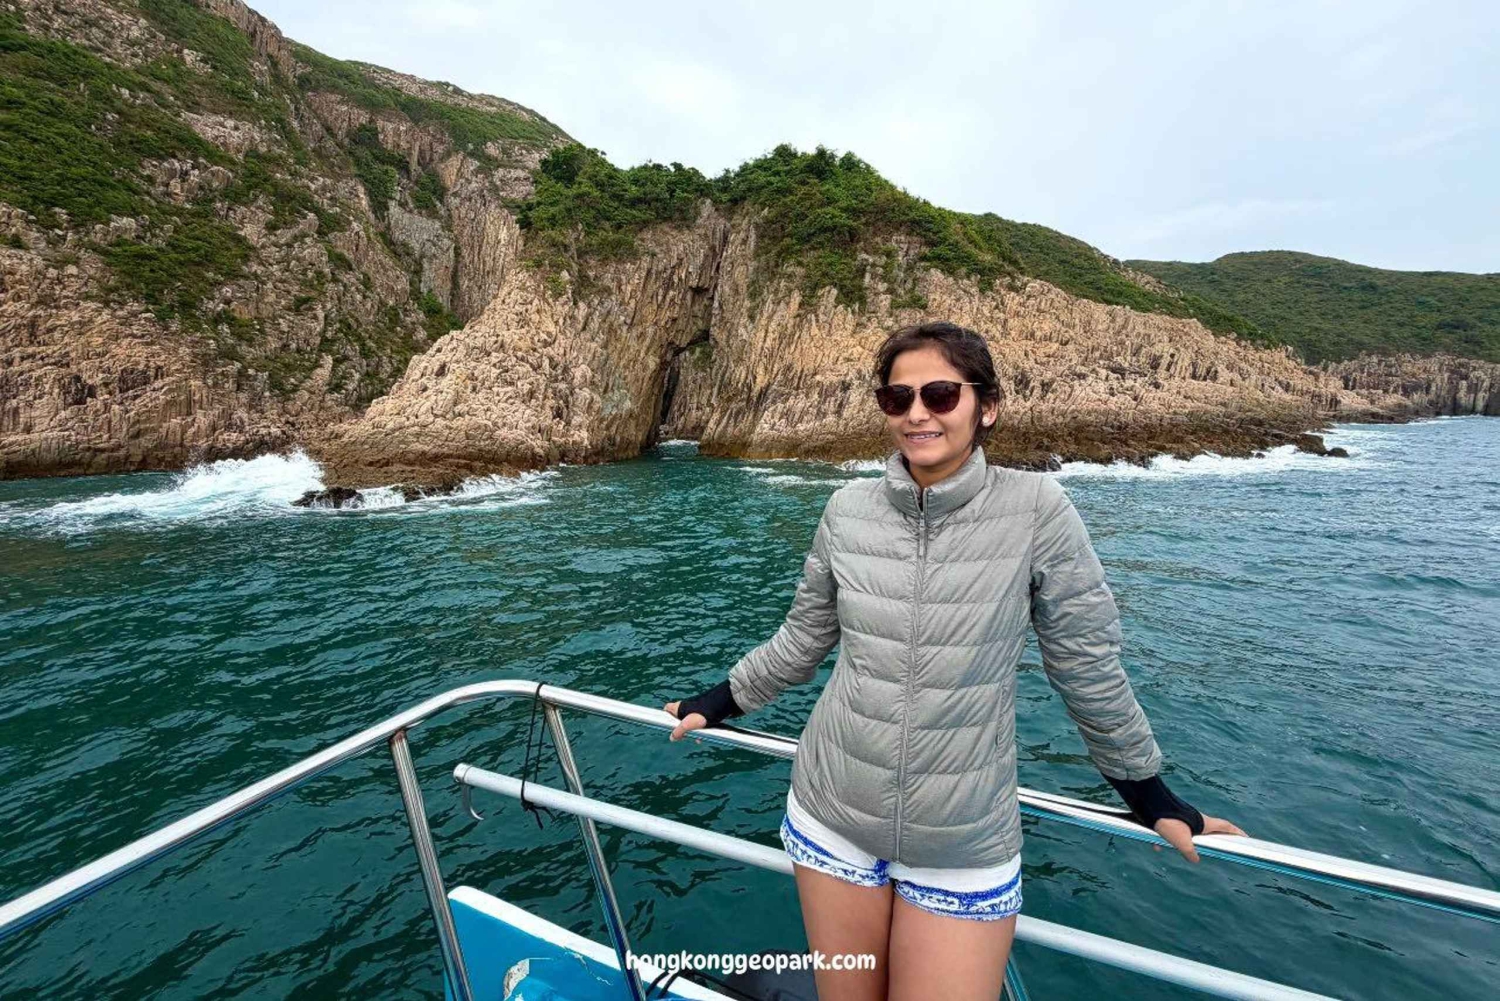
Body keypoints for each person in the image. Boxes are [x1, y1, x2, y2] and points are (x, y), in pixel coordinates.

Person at [665, 320, 1246, 1001]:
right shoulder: (847, 510)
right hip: (833, 812)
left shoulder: (1037, 510)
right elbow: (803, 639)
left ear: (986, 406)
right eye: (898, 397)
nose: (917, 413)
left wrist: (1148, 794)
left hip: (963, 840)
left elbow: (1085, 664)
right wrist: (718, 701)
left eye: (940, 394)